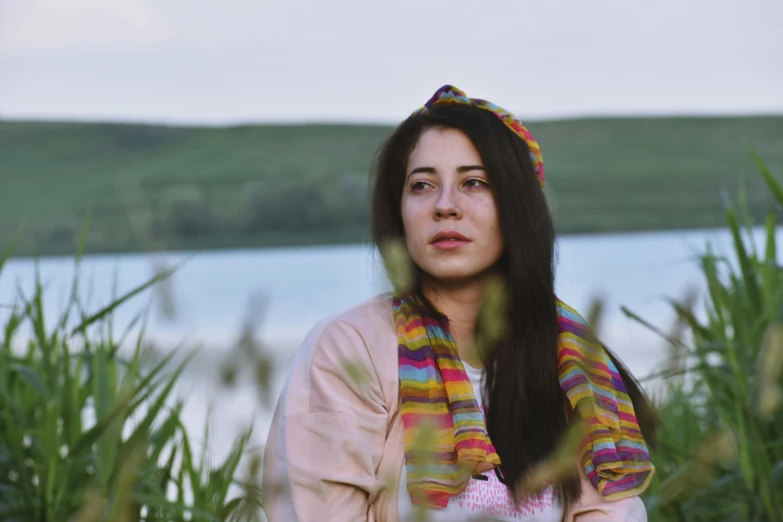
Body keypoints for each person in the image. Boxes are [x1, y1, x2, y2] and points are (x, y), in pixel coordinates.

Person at [262, 85, 658, 521]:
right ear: (399, 213)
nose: (445, 206)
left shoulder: (567, 359)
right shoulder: (350, 349)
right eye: (422, 185)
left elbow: (609, 510)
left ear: (517, 208)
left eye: (474, 182)